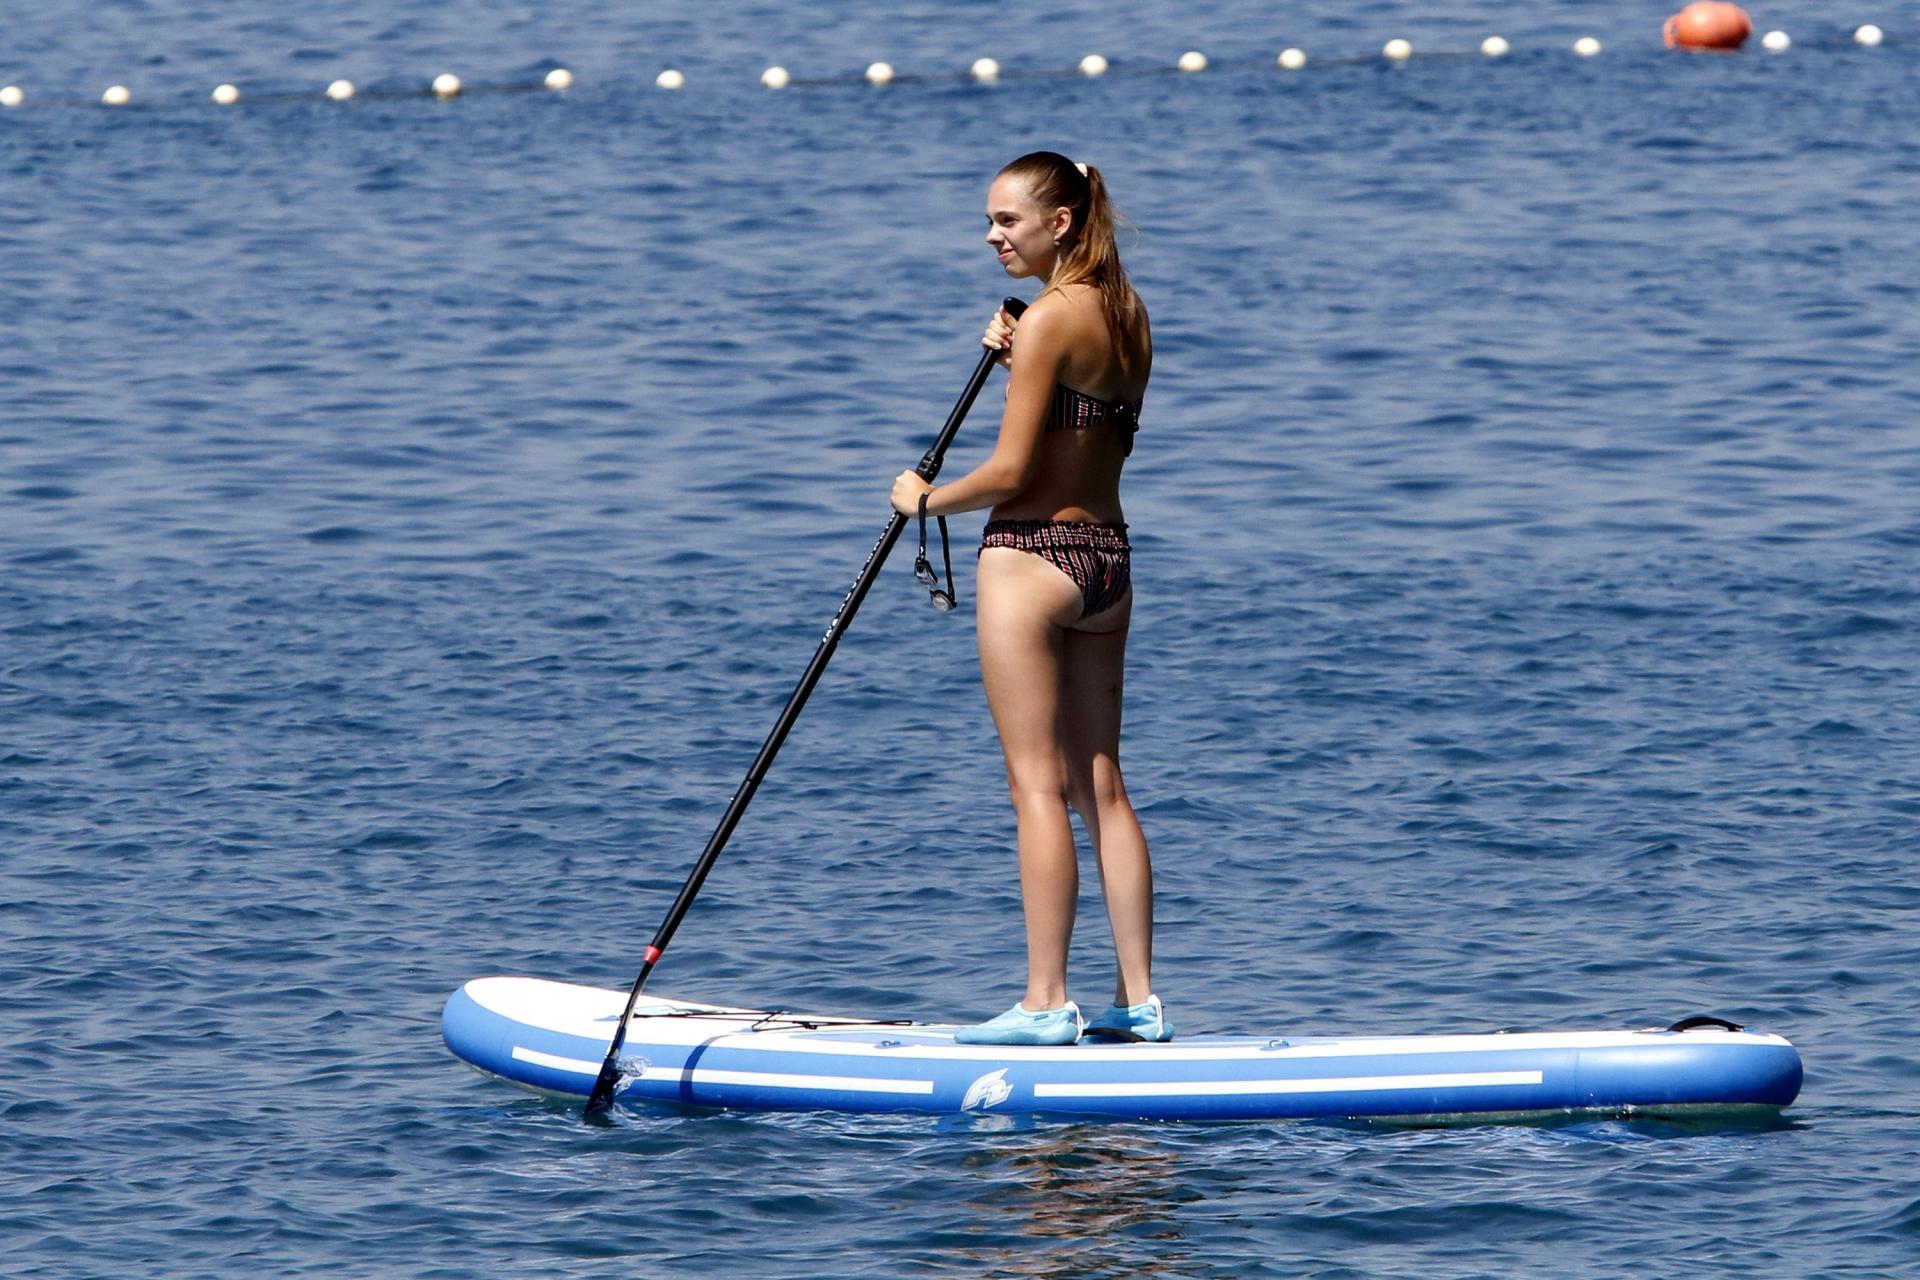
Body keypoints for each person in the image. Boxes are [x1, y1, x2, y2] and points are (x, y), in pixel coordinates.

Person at [891, 151, 1169, 1045]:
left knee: (1034, 788)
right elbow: (1081, 433)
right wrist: (1020, 354)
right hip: (1108, 564)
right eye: (989, 220)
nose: (991, 235)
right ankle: (1140, 1000)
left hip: (1030, 557)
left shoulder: (1048, 318)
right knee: (1103, 786)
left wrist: (922, 500)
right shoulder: (1128, 317)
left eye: (1008, 220)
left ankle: (1047, 1002)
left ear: (1060, 223)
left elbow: (1012, 471)